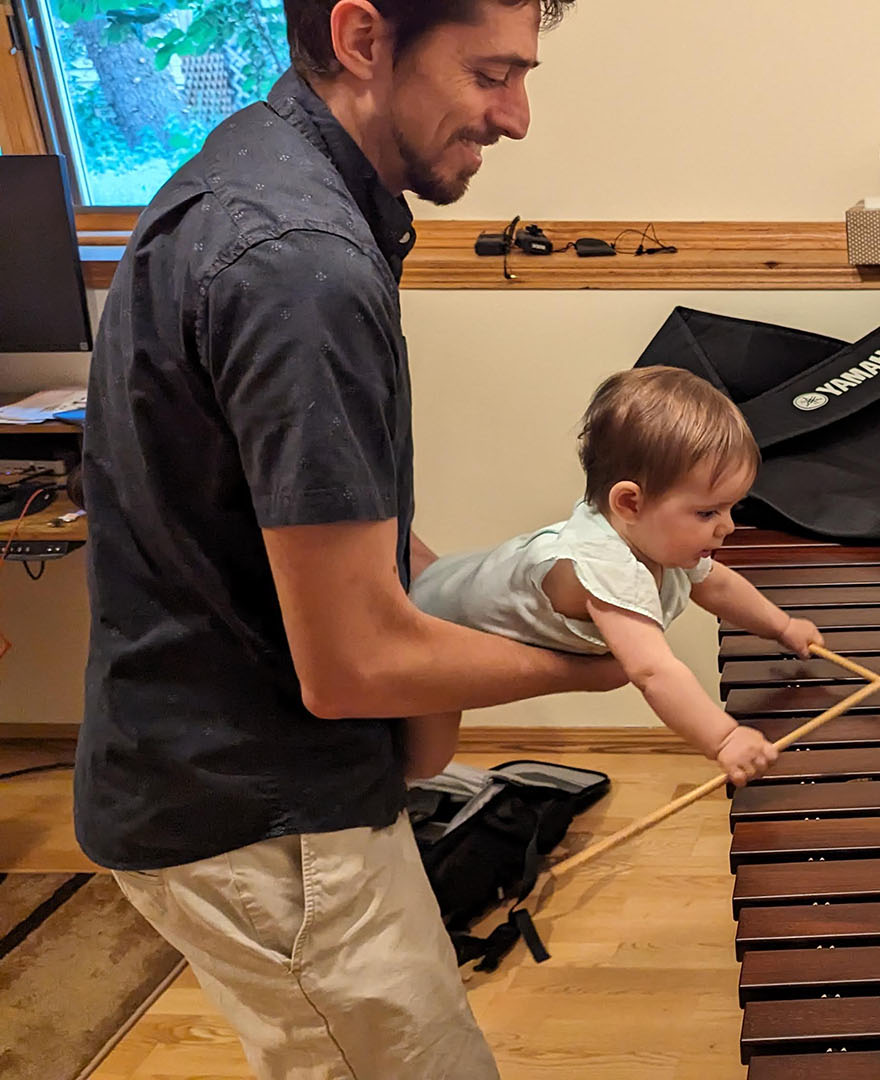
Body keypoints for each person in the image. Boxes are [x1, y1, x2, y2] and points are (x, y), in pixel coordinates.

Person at [76, 2, 592, 1076]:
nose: (518, 115)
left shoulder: (263, 174)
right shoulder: (298, 262)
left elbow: (330, 531)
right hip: (264, 820)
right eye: (490, 73)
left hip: (245, 780)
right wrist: (603, 662)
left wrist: (505, 587)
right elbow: (354, 664)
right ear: (363, 39)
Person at [407, 367, 822, 783]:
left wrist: (782, 626)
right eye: (707, 512)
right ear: (629, 503)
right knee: (425, 764)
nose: (727, 526)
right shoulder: (606, 564)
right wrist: (724, 738)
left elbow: (718, 584)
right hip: (429, 632)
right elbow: (653, 671)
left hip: (460, 579)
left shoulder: (657, 535)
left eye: (731, 508)